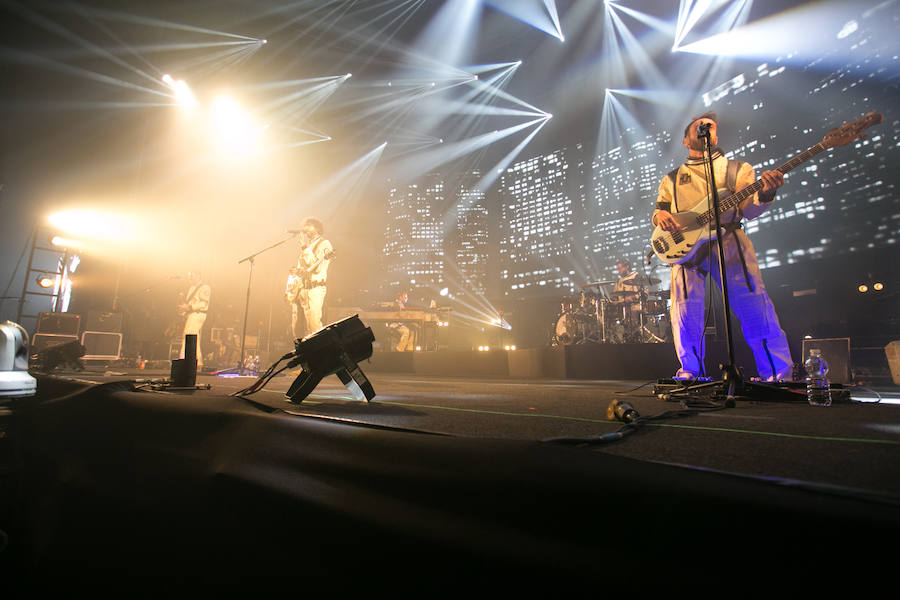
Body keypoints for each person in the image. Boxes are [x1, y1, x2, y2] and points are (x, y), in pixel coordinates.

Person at [652, 112, 793, 381]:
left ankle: (778, 373)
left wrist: (766, 192)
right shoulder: (671, 179)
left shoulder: (737, 169)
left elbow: (749, 209)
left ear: (716, 136)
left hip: (729, 242)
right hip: (685, 251)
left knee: (753, 303)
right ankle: (690, 373)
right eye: (698, 126)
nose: (705, 128)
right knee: (685, 310)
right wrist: (659, 217)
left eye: (710, 127)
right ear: (685, 139)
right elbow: (660, 210)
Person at [295, 218, 333, 335]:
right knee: (306, 327)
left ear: (317, 229)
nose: (306, 228)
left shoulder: (324, 244)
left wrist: (304, 248)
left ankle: (322, 350)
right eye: (305, 226)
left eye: (309, 225)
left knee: (314, 323)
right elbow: (303, 267)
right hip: (304, 289)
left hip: (316, 288)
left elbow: (316, 267)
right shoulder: (308, 246)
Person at [177, 271, 211, 367]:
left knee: (189, 335)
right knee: (192, 336)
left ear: (198, 275)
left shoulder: (205, 288)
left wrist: (189, 307)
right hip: (192, 314)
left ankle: (185, 359)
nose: (190, 278)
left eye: (192, 276)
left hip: (198, 313)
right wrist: (184, 309)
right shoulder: (191, 288)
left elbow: (204, 303)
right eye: (189, 277)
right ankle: (196, 360)